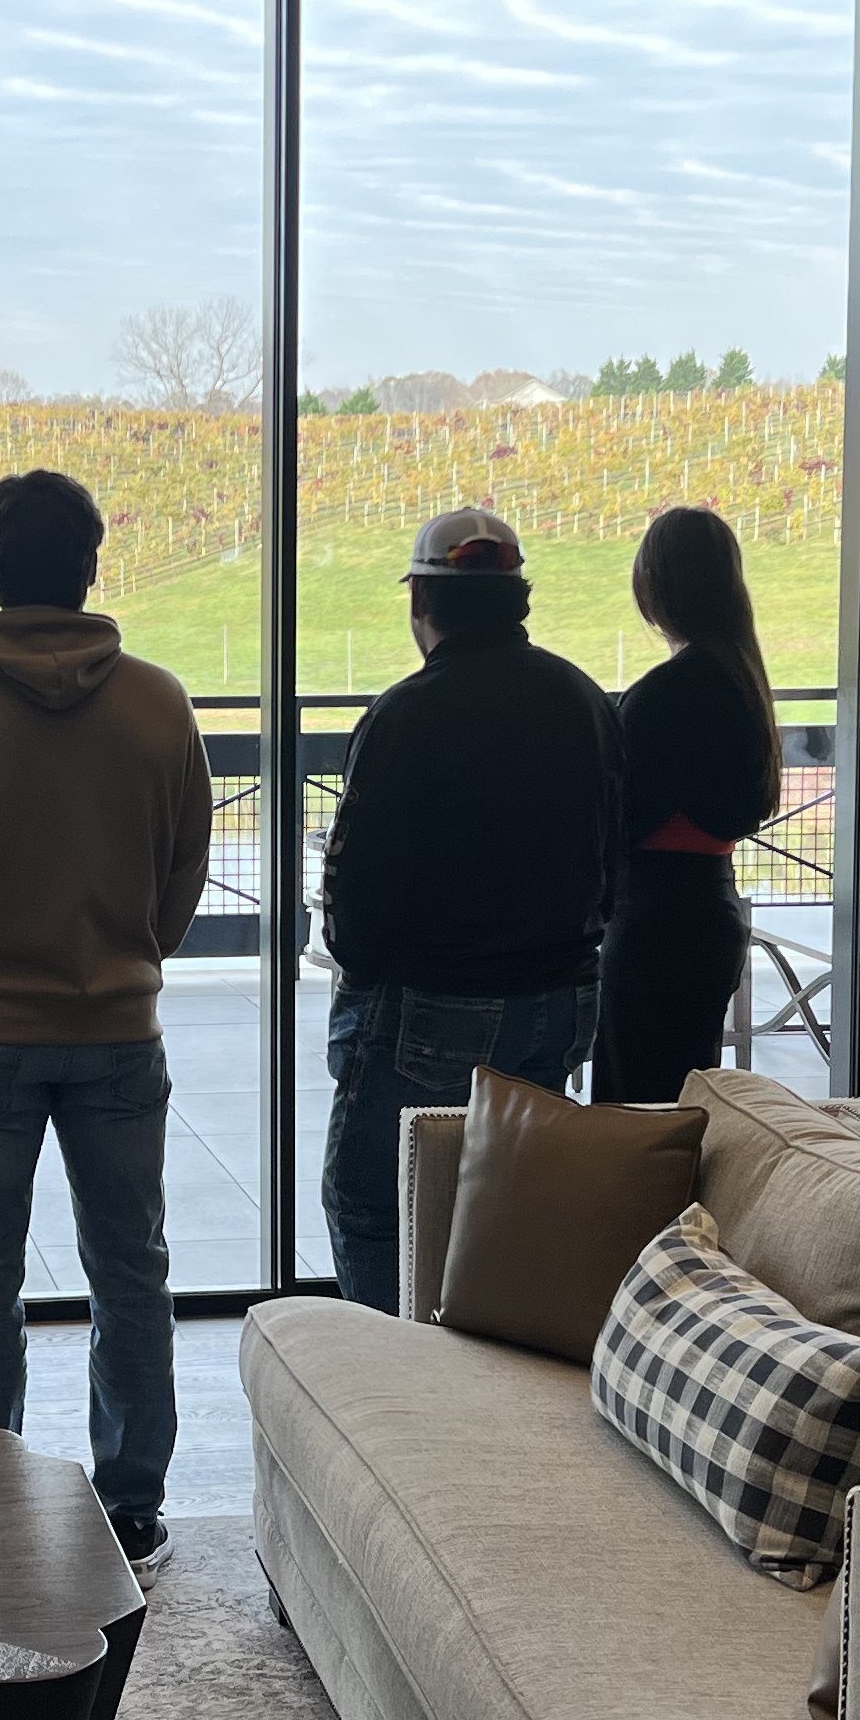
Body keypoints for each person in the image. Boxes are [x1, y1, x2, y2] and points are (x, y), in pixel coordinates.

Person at [0, 471, 211, 1565]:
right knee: (132, 1273)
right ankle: (132, 1503)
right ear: (91, 567)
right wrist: (131, 959)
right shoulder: (159, 703)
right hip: (118, 1031)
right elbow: (185, 868)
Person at [317, 507, 622, 1312]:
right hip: (561, 1000)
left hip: (429, 1005)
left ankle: (398, 1378)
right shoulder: (584, 700)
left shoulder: (406, 713)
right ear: (520, 598)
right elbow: (612, 855)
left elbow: (356, 887)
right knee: (509, 1211)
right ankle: (487, 1363)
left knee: (374, 1208)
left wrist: (361, 970)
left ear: (421, 599)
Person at [591, 505, 781, 1106]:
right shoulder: (740, 677)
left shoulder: (667, 693)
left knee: (633, 1113)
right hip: (709, 906)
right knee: (681, 1105)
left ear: (655, 587)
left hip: (654, 921)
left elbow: (618, 817)